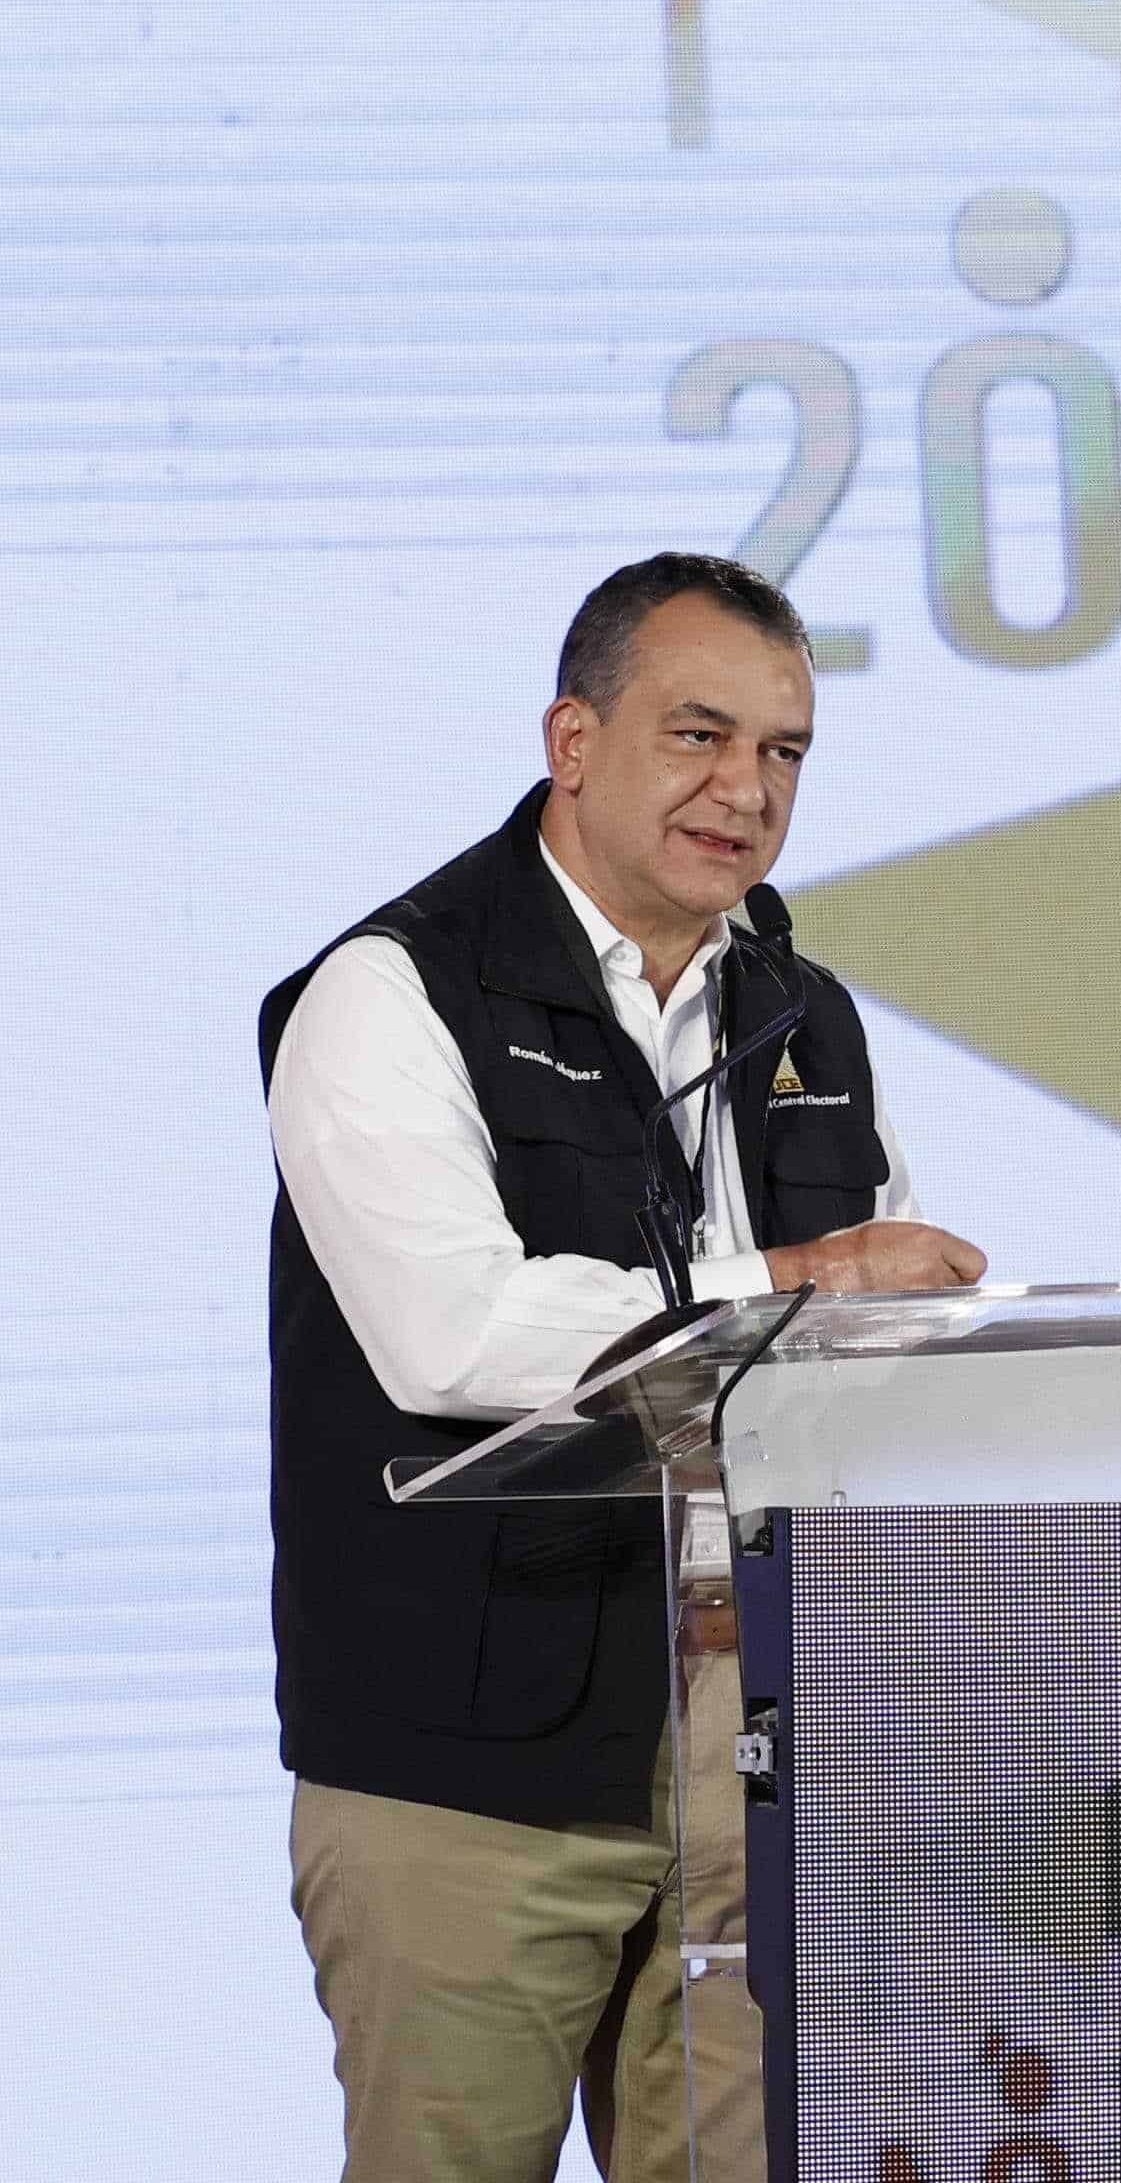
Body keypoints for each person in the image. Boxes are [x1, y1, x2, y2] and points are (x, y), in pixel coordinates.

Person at [261, 553, 986, 2183]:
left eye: (785, 752)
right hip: (470, 1767)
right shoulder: (391, 994)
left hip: (756, 1739)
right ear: (571, 741)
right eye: (701, 736)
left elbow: (857, 1336)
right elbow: (454, 1333)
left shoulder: (805, 1019)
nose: (748, 790)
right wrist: (792, 1279)